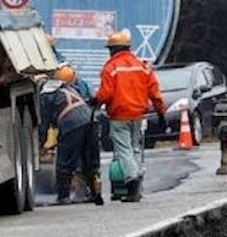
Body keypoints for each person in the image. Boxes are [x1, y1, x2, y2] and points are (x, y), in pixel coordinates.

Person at [94, 30, 166, 200]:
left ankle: (132, 183)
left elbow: (106, 93)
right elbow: (155, 93)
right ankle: (137, 184)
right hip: (138, 115)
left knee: (124, 150)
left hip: (119, 116)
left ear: (113, 49)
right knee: (135, 148)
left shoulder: (111, 68)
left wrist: (95, 101)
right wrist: (161, 113)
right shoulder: (142, 67)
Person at [39, 66, 103, 205]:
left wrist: (40, 145)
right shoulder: (71, 89)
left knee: (65, 161)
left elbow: (44, 123)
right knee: (89, 160)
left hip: (72, 124)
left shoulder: (46, 96)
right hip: (91, 121)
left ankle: (63, 196)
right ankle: (94, 193)